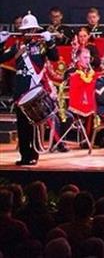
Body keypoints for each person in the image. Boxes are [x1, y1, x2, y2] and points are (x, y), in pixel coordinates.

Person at [0, 12, 59, 166]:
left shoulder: (41, 46)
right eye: (24, 30)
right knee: (22, 127)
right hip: (20, 92)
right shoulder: (17, 46)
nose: (26, 33)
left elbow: (54, 57)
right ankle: (25, 155)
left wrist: (50, 41)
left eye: (30, 30)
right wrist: (1, 43)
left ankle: (33, 155)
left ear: (35, 30)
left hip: (34, 90)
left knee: (32, 126)